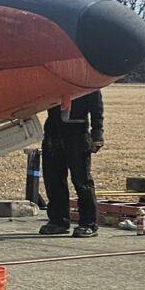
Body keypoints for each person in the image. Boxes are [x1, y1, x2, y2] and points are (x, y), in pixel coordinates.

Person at [39, 90, 104, 237]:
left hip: (77, 133)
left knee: (82, 180)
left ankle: (89, 223)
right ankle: (58, 221)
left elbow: (96, 107)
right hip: (53, 130)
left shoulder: (86, 80)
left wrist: (97, 134)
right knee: (53, 179)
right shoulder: (52, 80)